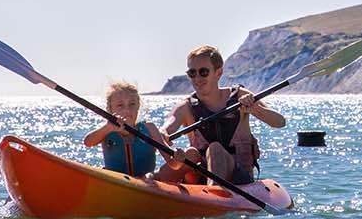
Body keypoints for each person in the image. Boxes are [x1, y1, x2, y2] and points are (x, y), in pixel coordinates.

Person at [160, 45, 284, 185]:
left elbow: (279, 122)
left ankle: (213, 193)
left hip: (240, 179)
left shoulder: (240, 96)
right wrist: (163, 133)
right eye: (192, 73)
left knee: (215, 149)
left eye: (204, 72)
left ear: (218, 73)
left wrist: (254, 109)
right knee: (190, 154)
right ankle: (149, 185)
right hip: (200, 179)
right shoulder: (186, 106)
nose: (197, 78)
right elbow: (167, 126)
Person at [83, 81, 170, 178]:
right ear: (110, 109)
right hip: (116, 183)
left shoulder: (150, 129)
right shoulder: (106, 131)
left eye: (132, 104)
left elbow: (174, 164)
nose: (127, 111)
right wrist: (107, 129)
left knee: (190, 153)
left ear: (138, 106)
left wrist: (178, 157)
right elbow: (87, 142)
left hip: (146, 183)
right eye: (120, 105)